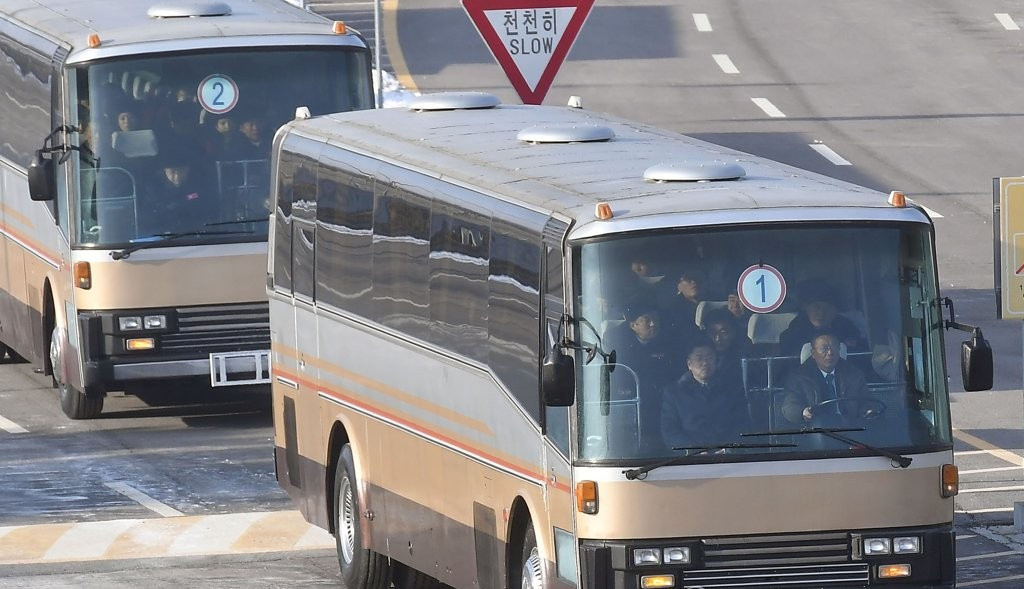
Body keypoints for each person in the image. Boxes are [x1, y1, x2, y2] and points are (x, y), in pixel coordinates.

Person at [660, 340, 751, 449]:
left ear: (716, 361)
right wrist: (694, 450)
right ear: (689, 364)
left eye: (709, 358)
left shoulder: (732, 389)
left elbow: (743, 425)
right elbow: (670, 431)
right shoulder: (673, 393)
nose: (705, 363)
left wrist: (727, 448)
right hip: (689, 459)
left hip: (728, 456)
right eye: (699, 358)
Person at [780, 333, 869, 426]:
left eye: (834, 348)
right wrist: (802, 412)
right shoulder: (799, 377)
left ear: (839, 350)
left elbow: (866, 400)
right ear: (813, 353)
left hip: (850, 426)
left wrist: (868, 410)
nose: (830, 353)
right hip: (816, 428)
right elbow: (789, 405)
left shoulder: (854, 374)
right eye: (824, 349)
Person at [778, 281, 864, 356]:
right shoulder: (794, 332)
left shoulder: (847, 329)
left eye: (828, 308)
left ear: (835, 311)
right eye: (816, 307)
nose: (821, 313)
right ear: (806, 307)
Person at [142, 152, 214, 234]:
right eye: (172, 172)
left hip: (196, 235)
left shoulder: (198, 183)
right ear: (164, 170)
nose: (177, 177)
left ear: (188, 169)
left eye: (181, 171)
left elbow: (207, 212)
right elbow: (148, 221)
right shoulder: (154, 188)